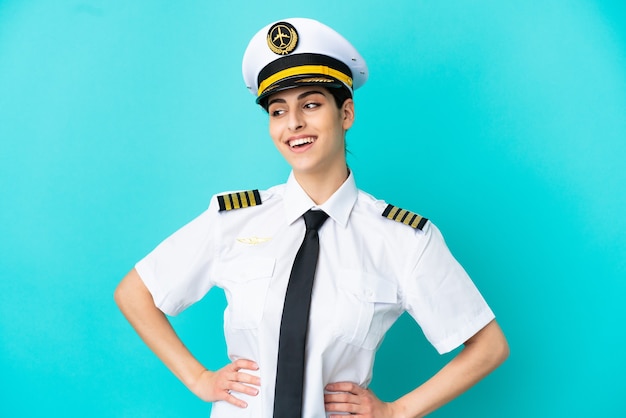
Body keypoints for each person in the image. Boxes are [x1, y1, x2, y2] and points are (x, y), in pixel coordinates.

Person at [114, 17, 509, 418]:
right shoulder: (234, 219)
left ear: (346, 113)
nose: (294, 123)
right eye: (277, 110)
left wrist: (396, 411)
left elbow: (488, 345)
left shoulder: (403, 239)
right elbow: (134, 293)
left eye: (311, 104)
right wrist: (199, 379)